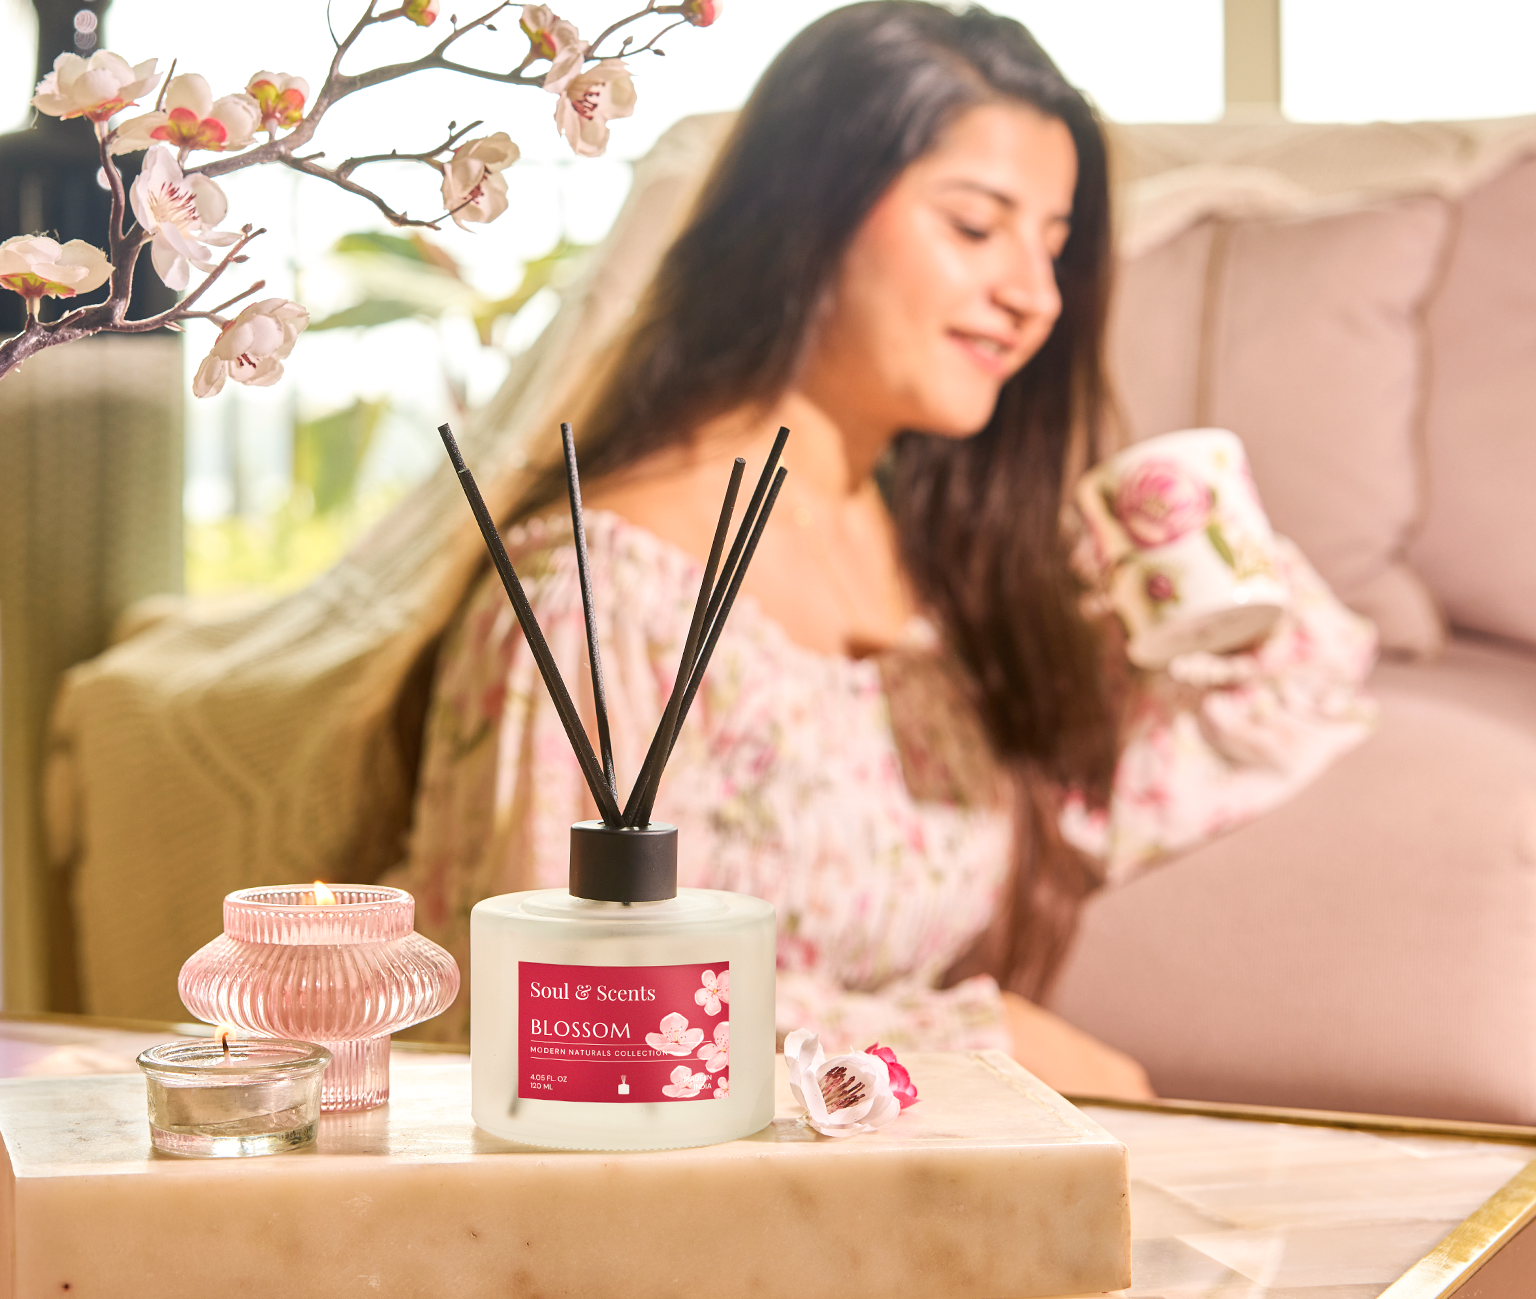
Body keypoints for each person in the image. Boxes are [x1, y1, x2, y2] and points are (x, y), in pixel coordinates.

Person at [386, 1, 1375, 1097]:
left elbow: (1294, 698)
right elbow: (565, 1015)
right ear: (811, 212)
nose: (1035, 297)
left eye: (1054, 245)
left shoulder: (948, 587)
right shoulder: (597, 594)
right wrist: (978, 1042)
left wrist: (1194, 560)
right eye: (975, 226)